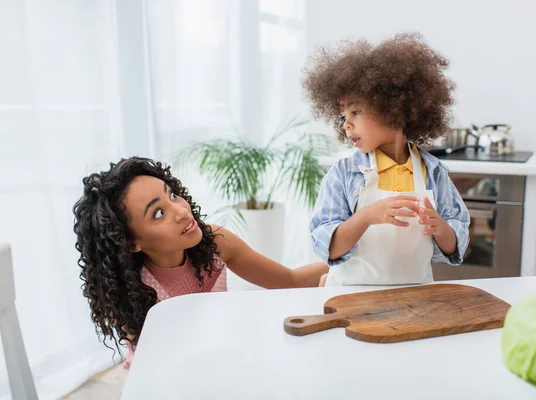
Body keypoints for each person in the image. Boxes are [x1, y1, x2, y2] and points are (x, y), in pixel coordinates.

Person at [72, 156, 329, 368]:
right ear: (130, 243)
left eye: (172, 195)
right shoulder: (130, 293)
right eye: (158, 213)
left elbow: (289, 280)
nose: (182, 212)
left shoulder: (216, 242)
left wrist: (359, 259)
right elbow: (167, 370)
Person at [301, 32, 470, 286]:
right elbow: (328, 248)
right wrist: (367, 216)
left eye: (355, 112)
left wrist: (440, 227)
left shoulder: (433, 172)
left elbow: (455, 247)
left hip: (415, 299)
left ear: (393, 109)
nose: (347, 124)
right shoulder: (344, 173)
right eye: (343, 116)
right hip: (351, 298)